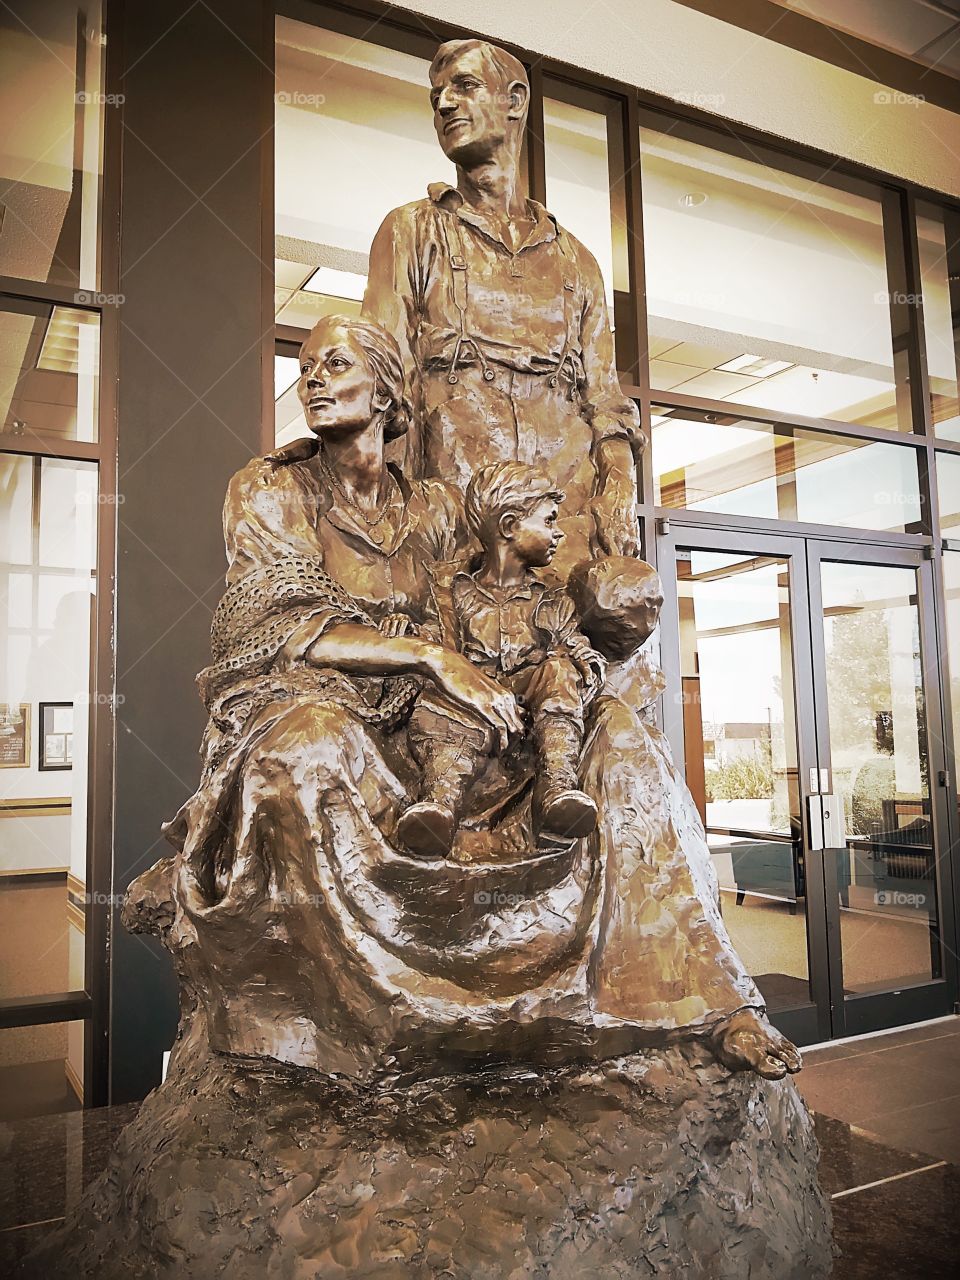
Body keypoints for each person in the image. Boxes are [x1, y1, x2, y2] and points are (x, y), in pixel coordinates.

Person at [137, 311, 801, 1085]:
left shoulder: (437, 508)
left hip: (456, 712)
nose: (313, 378)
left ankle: (708, 1001)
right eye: (307, 365)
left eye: (336, 364)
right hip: (330, 698)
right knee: (303, 752)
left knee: (620, 739)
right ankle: (357, 1033)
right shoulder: (269, 487)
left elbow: (508, 576)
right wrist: (429, 659)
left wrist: (595, 596)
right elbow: (275, 622)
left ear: (385, 391)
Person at [363, 37, 643, 577]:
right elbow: (382, 385)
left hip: (566, 532)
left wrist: (620, 487)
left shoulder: (576, 261)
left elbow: (605, 400)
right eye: (436, 96)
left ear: (516, 101)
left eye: (464, 87)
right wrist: (388, 526)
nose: (444, 104)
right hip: (455, 534)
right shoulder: (413, 231)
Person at [398, 461, 605, 858]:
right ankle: (439, 807)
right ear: (510, 527)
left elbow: (571, 641)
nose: (558, 532)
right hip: (471, 706)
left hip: (529, 708)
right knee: (438, 704)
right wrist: (405, 631)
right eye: (548, 521)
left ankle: (557, 788)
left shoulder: (551, 598)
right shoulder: (450, 592)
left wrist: (583, 658)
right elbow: (433, 642)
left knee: (558, 670)